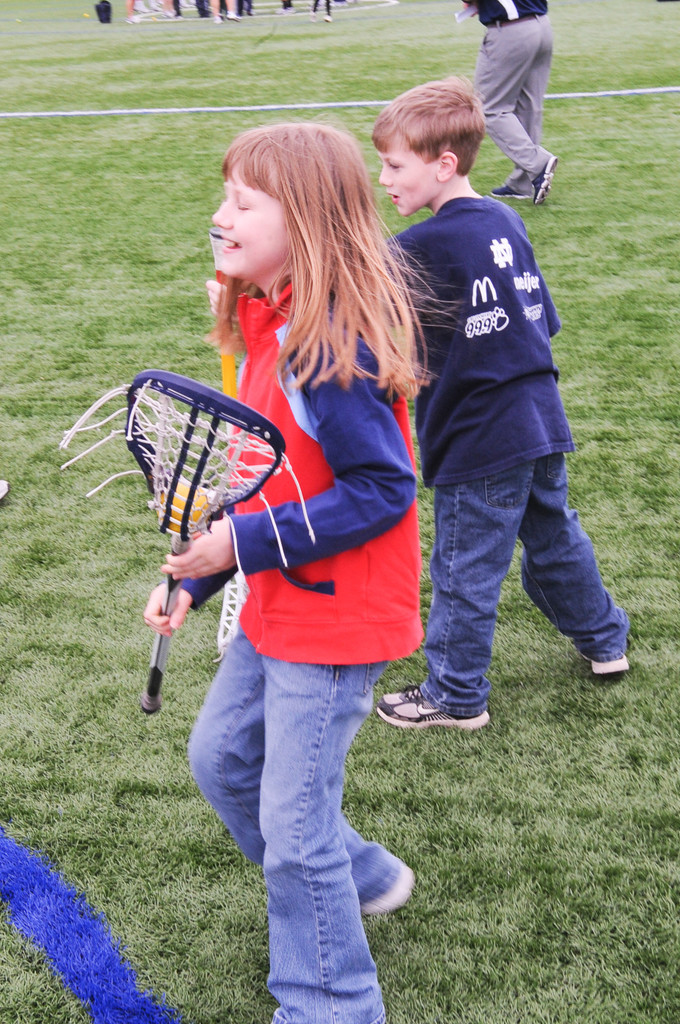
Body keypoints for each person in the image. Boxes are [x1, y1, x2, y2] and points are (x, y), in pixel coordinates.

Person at [143, 122, 424, 1024]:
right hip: (280, 603)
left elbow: (383, 491)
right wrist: (198, 577)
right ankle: (370, 875)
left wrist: (238, 547)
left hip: (337, 619)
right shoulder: (269, 324)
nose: (219, 217)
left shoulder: (323, 344)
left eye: (242, 202)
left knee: (296, 837)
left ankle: (332, 1005)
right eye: (223, 194)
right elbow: (266, 487)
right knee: (222, 757)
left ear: (301, 222)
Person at [371, 77, 629, 731]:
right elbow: (543, 321)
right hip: (540, 418)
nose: (384, 179)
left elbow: (361, 315)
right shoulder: (504, 219)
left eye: (395, 165)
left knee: (465, 566)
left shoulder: (420, 247)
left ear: (443, 163)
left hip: (481, 435)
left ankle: (456, 695)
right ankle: (605, 640)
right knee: (553, 537)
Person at [461, 1, 558, 204]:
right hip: (541, 25)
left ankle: (537, 164)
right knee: (528, 107)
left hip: (510, 31)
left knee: (487, 109)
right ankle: (523, 182)